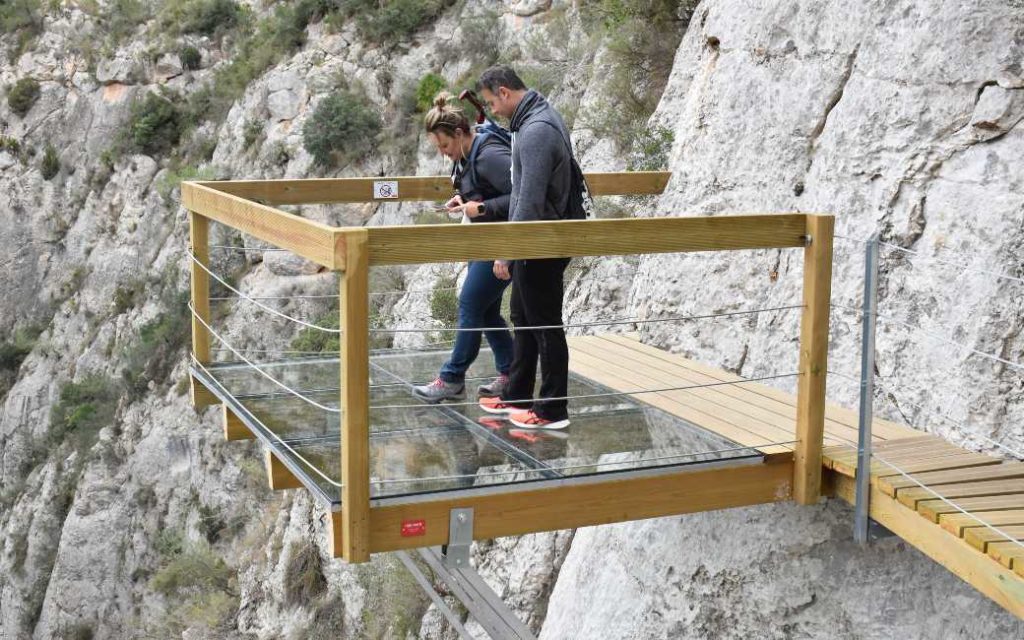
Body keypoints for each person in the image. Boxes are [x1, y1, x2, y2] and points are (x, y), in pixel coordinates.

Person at [475, 65, 575, 430]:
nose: (492, 111)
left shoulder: (535, 130)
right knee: (523, 315)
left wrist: (508, 250)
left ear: (504, 92)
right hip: (538, 238)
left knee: (545, 322)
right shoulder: (533, 119)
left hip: (542, 241)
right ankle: (517, 393)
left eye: (491, 102)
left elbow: (528, 200)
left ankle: (552, 410)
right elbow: (522, 194)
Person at [412, 92, 515, 403]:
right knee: (485, 312)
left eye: (444, 145)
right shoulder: (468, 156)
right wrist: (463, 202)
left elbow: (524, 197)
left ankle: (452, 378)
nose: (444, 153)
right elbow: (483, 193)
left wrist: (481, 211)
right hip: (485, 240)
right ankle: (512, 373)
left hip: (502, 242)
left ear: (458, 134)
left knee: (470, 304)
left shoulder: (489, 156)